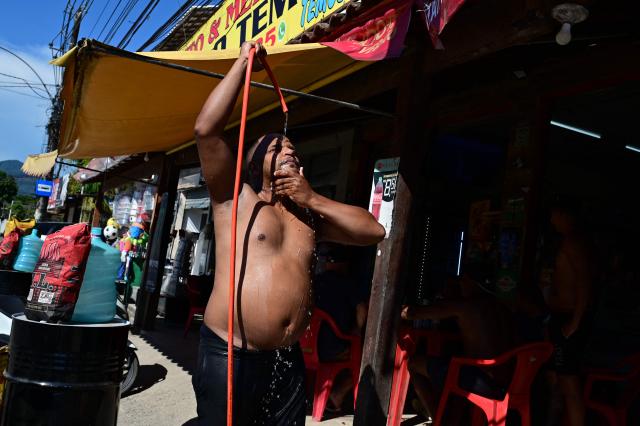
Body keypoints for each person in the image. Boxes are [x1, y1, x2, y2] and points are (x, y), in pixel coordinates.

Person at [192, 41, 386, 425]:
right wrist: (242, 65)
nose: (289, 153)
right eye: (277, 148)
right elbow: (206, 130)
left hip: (286, 356)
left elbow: (374, 231)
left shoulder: (308, 214)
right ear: (253, 163)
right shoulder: (235, 199)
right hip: (230, 353)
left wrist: (313, 198)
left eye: (294, 151)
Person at [401, 274, 515, 422]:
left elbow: (413, 313)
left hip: (482, 380)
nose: (460, 285)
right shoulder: (503, 308)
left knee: (414, 364)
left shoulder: (466, 305)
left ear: (470, 282)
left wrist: (398, 309)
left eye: (462, 281)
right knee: (449, 362)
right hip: (510, 380)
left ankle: (438, 419)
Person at [541, 198, 594, 426]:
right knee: (555, 380)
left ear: (564, 215)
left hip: (569, 320)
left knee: (569, 383)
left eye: (554, 214)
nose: (552, 219)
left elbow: (585, 284)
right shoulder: (566, 243)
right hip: (560, 319)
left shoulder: (574, 243)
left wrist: (575, 322)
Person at [314, 243, 369, 413]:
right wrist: (357, 330)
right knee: (370, 360)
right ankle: (337, 394)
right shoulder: (348, 284)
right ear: (344, 264)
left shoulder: (314, 282)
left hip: (307, 350)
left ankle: (324, 395)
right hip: (333, 349)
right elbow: (362, 308)